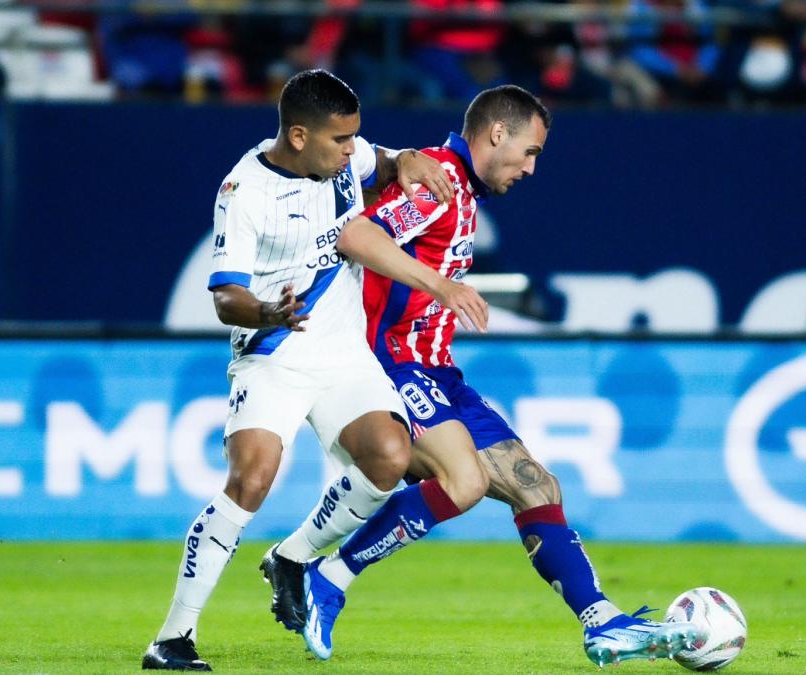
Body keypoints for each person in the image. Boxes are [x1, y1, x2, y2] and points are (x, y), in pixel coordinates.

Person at [266, 84, 704, 667]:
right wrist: (441, 285)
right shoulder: (439, 182)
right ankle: (331, 576)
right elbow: (356, 236)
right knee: (464, 481)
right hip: (388, 360)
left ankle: (602, 622)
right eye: (530, 151)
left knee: (537, 486)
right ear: (497, 133)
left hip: (438, 371)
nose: (530, 167)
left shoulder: (459, 190)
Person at [141, 69, 488, 671]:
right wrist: (266, 311)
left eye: (356, 140)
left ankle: (293, 558)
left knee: (388, 455)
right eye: (340, 142)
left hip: (343, 353)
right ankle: (173, 638)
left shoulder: (342, 162)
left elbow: (381, 161)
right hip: (274, 352)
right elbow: (226, 298)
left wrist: (405, 158)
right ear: (298, 136)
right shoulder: (244, 191)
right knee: (251, 479)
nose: (352, 152)